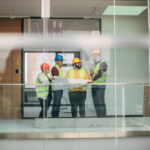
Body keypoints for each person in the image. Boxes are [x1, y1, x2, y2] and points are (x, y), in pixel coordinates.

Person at [89, 49, 107, 117]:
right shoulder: (94, 65)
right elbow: (94, 75)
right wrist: (91, 74)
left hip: (100, 86)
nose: (92, 57)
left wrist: (92, 79)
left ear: (97, 55)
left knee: (100, 102)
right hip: (94, 86)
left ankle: (103, 117)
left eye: (93, 56)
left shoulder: (103, 64)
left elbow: (100, 73)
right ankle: (99, 117)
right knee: (95, 103)